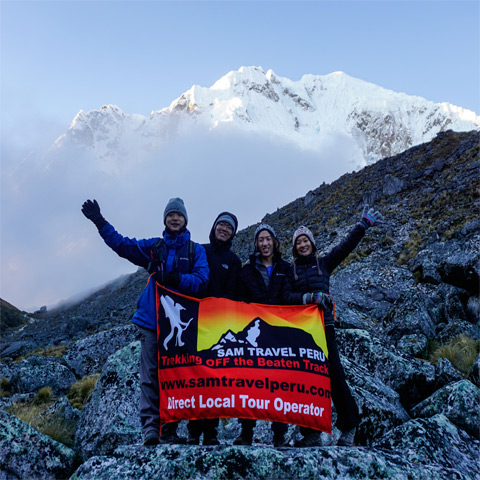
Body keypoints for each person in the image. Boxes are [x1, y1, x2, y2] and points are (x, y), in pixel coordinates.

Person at [81, 197, 209, 446]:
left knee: (178, 375)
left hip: (181, 325)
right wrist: (99, 221)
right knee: (150, 376)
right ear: (165, 219)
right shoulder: (154, 247)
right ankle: (151, 429)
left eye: (179, 215)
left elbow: (201, 280)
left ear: (185, 220)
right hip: (152, 321)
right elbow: (121, 245)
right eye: (171, 215)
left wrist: (174, 278)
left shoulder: (196, 250)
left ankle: (171, 428)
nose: (175, 218)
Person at [290, 204, 384, 447]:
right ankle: (311, 433)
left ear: (312, 243)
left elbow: (345, 246)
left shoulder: (324, 263)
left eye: (305, 241)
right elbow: (284, 297)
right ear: (294, 247)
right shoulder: (289, 272)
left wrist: (362, 225)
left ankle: (349, 426)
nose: (302, 245)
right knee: (305, 381)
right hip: (301, 332)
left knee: (335, 376)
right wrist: (307, 299)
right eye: (298, 242)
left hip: (325, 327)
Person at [235, 223, 308, 446]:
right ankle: (246, 432)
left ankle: (279, 435)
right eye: (260, 239)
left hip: (278, 334)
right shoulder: (246, 270)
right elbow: (238, 301)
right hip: (254, 334)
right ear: (256, 244)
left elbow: (290, 296)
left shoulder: (286, 267)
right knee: (249, 381)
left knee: (280, 383)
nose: (265, 243)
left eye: (268, 239)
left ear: (274, 242)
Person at [187, 212, 242, 446]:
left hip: (218, 327)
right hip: (193, 322)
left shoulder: (235, 261)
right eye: (221, 224)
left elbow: (233, 293)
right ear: (214, 226)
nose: (224, 229)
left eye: (229, 227)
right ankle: (192, 430)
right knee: (192, 378)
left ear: (233, 233)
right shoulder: (199, 250)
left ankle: (211, 432)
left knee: (215, 380)